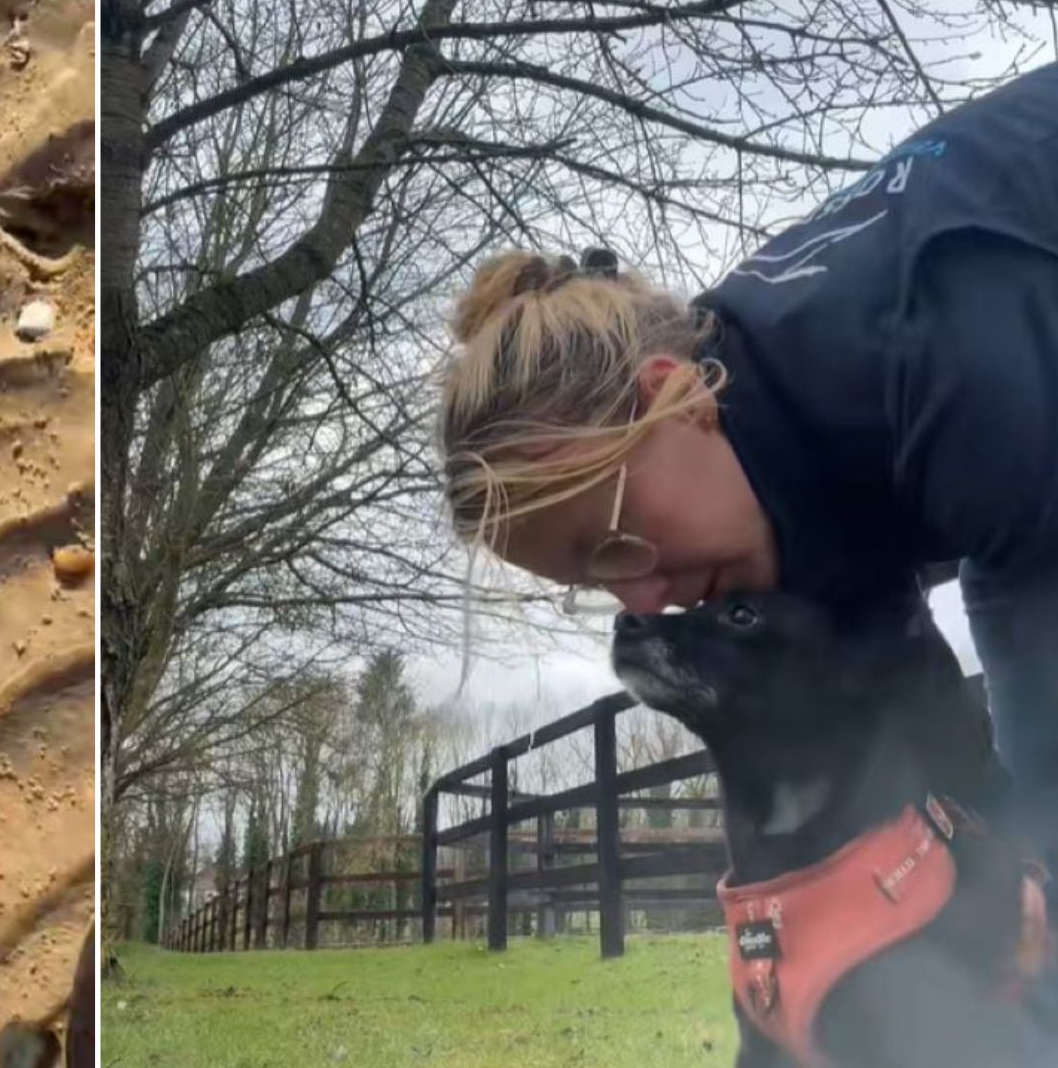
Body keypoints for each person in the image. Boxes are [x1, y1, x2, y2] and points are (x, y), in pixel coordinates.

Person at [436, 61, 1058, 861]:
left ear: (676, 399)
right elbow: (910, 691)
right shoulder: (781, 471)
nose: (647, 599)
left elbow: (1034, 614)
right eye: (597, 584)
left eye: (615, 541)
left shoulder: (930, 361)